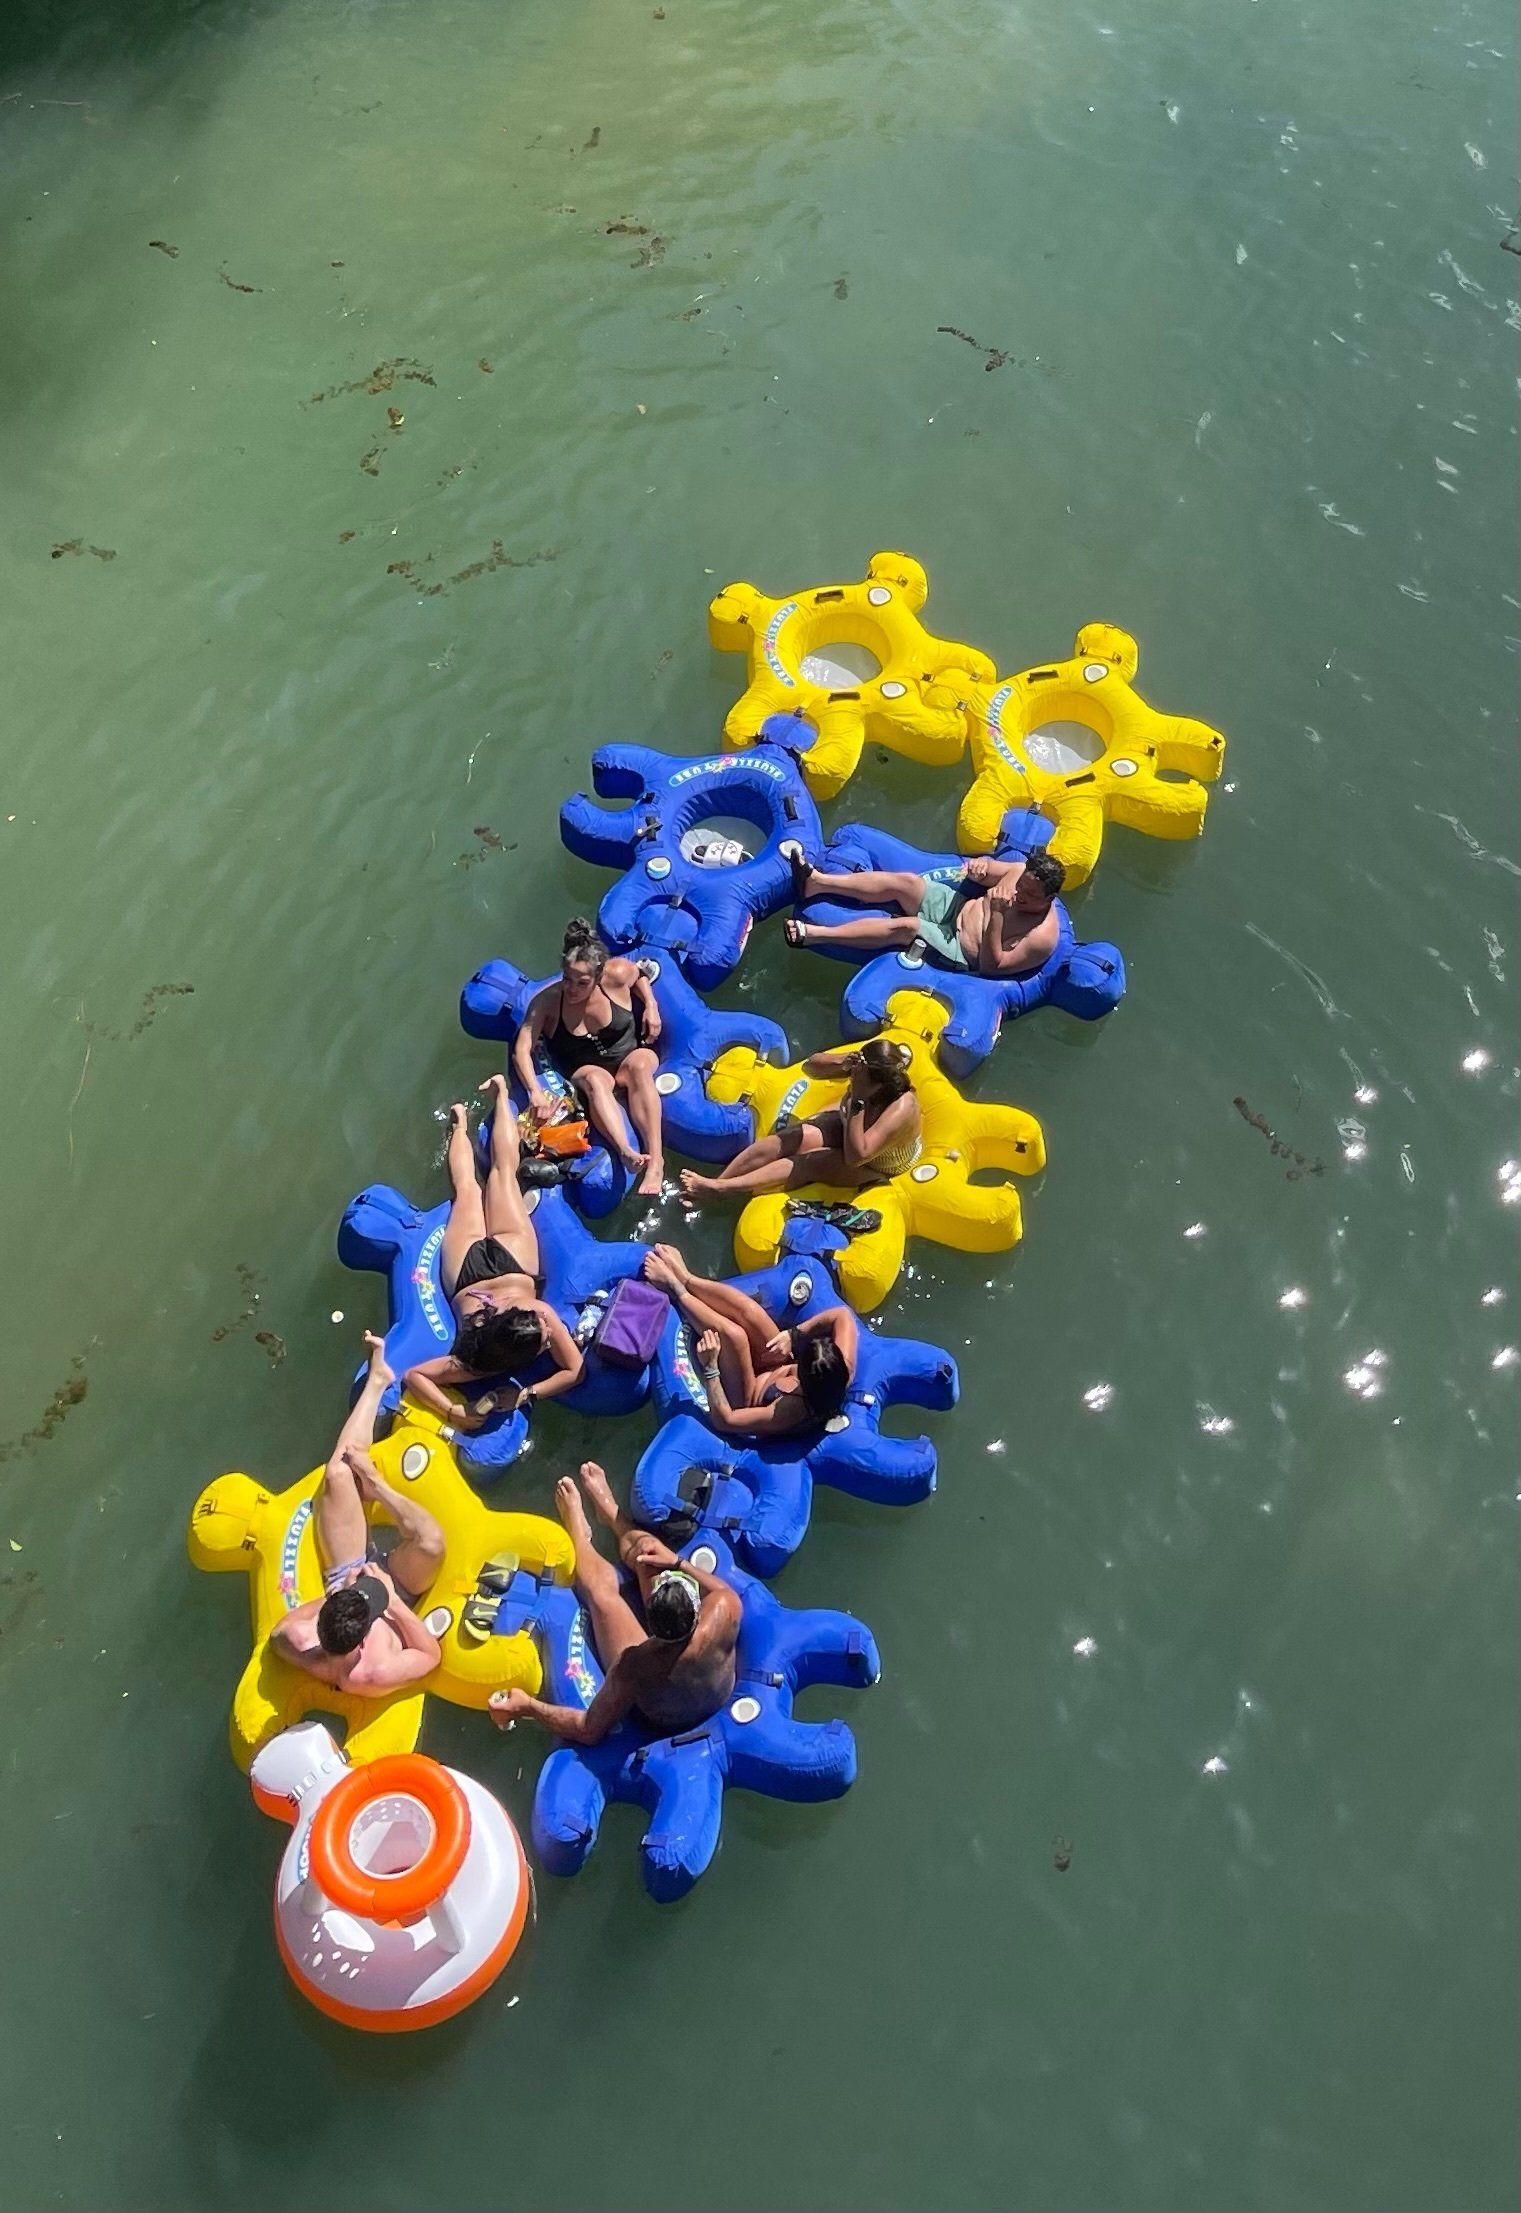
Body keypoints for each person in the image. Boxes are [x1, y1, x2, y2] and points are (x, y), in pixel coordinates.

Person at [489, 1461, 741, 1743]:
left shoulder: (635, 1665)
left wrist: (528, 1707)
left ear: (649, 1616)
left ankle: (579, 1534)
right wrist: (676, 1561)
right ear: (696, 1605)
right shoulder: (723, 1608)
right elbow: (718, 1590)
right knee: (648, 1553)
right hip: (708, 1690)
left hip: (669, 1717)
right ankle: (611, 1515)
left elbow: (589, 1729)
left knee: (602, 1595)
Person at [402, 1073, 583, 1430]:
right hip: (485, 1269)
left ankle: (471, 1116)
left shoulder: (478, 1357)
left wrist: (458, 1412)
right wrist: (524, 1394)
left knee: (484, 1183)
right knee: (490, 1180)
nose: (549, 1329)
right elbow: (574, 1370)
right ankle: (483, 1106)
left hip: (499, 1267)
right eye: (545, 1336)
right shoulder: (524, 1322)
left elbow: (415, 1376)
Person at [270, 1335, 445, 1696]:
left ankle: (378, 1380)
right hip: (401, 1593)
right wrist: (390, 1601)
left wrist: (343, 1598)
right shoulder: (372, 1673)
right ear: (360, 1645)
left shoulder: (300, 1640)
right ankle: (378, 1486)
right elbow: (431, 1655)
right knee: (431, 1542)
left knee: (338, 1473)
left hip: (344, 1581)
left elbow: (277, 1634)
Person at [512, 918, 666, 1197]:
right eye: (567, 979)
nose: (572, 989)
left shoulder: (617, 974)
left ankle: (656, 1160)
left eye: (582, 982)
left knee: (640, 1066)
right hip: (589, 1070)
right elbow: (522, 1048)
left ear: (598, 976)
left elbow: (640, 975)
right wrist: (535, 1092)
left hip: (630, 1055)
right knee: (595, 1080)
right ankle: (626, 1152)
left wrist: (651, 1006)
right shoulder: (547, 1003)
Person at [642, 1242, 857, 1436]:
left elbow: (725, 1420)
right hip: (776, 1364)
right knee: (749, 1311)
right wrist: (794, 1335)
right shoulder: (842, 1368)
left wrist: (710, 1368)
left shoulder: (789, 1411)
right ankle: (687, 1278)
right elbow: (842, 1315)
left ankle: (677, 1291)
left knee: (734, 1337)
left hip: (746, 1399)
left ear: (805, 1379)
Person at [678, 1035, 921, 1203]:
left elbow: (856, 1156)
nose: (853, 1076)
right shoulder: (864, 1071)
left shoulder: (902, 1107)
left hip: (877, 1164)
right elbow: (810, 1068)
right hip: (852, 1124)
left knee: (810, 1162)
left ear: (878, 1083)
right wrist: (842, 1062)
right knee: (794, 1136)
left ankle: (721, 1189)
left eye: (860, 1076)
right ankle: (717, 1184)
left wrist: (857, 1099)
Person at [783, 847, 1066, 977]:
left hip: (961, 949)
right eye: (1020, 887)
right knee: (907, 882)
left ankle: (815, 935)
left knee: (909, 927)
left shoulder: (1042, 937)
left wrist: (998, 916)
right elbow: (990, 870)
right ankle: (817, 882)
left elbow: (992, 967)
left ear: (1049, 898)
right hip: (955, 907)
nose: (1018, 895)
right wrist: (982, 866)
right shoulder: (1018, 872)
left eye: (1029, 896)